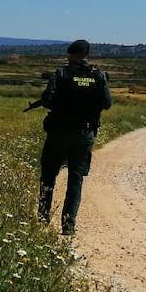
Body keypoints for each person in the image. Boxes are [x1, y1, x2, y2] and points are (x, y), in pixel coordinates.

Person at [31, 39, 111, 235]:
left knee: (48, 176)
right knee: (75, 180)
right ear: (87, 54)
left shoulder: (62, 73)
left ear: (71, 55)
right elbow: (107, 103)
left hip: (58, 132)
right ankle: (68, 225)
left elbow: (48, 99)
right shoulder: (99, 76)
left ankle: (42, 218)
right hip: (84, 134)